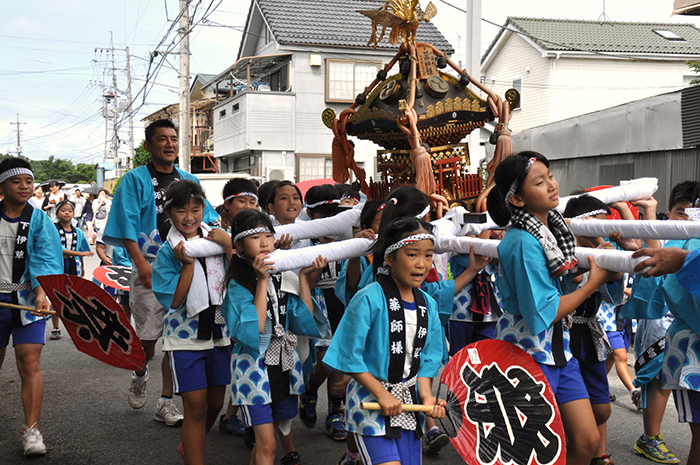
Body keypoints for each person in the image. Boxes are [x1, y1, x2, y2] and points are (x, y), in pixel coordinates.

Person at [486, 151, 615, 465]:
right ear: (516, 200)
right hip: (527, 353)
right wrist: (590, 285)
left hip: (559, 349)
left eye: (550, 177)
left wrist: (599, 260)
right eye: (539, 182)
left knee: (587, 440)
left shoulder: (553, 232)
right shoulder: (520, 241)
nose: (551, 186)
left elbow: (560, 290)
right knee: (528, 449)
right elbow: (542, 312)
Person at [103, 119, 217, 424]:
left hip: (188, 265)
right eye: (162, 139)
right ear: (148, 146)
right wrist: (140, 265)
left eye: (173, 138)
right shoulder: (134, 180)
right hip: (150, 266)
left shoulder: (189, 178)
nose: (169, 144)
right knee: (150, 340)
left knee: (176, 338)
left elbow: (210, 220)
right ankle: (140, 370)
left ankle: (166, 401)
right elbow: (126, 224)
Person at [323, 217, 447, 465]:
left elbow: (428, 359)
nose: (422, 264)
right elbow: (348, 354)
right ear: (389, 258)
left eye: (428, 255)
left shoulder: (428, 305)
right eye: (412, 255)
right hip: (369, 401)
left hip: (409, 405)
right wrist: (381, 393)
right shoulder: (368, 298)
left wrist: (427, 397)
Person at [222, 209, 328, 465]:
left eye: (268, 235)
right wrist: (261, 281)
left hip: (284, 364)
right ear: (238, 245)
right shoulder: (238, 284)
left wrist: (303, 276)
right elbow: (255, 327)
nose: (264, 242)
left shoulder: (283, 274)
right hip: (253, 369)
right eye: (255, 237)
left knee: (263, 445)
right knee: (268, 445)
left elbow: (303, 318)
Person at [152, 180, 233, 465]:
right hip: (184, 338)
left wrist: (229, 246)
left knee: (214, 405)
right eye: (181, 211)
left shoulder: (217, 240)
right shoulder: (167, 252)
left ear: (203, 210)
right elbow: (173, 300)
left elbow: (240, 276)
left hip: (220, 333)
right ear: (169, 215)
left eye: (195, 210)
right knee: (195, 408)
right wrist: (187, 265)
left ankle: (190, 443)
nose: (189, 217)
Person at [622, 182, 695, 465]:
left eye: (693, 213)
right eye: (681, 212)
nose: (687, 219)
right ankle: (650, 437)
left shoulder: (692, 239)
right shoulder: (666, 236)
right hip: (664, 322)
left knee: (666, 380)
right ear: (669, 211)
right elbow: (653, 257)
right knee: (658, 378)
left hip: (683, 323)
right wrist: (647, 210)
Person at [0, 157, 62, 455]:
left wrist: (42, 292)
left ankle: (33, 430)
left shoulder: (38, 220)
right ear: (2, 186)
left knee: (30, 363)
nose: (24, 187)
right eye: (16, 181)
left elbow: (47, 258)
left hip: (26, 301)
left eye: (29, 181)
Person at [51, 200, 93, 340]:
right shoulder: (53, 230)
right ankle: (56, 326)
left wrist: (83, 266)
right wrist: (81, 255)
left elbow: (82, 248)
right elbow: (59, 249)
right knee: (57, 294)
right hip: (58, 265)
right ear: (57, 213)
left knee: (74, 296)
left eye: (69, 210)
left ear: (74, 214)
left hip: (74, 266)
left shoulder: (78, 232)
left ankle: (76, 326)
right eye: (63, 210)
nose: (67, 213)